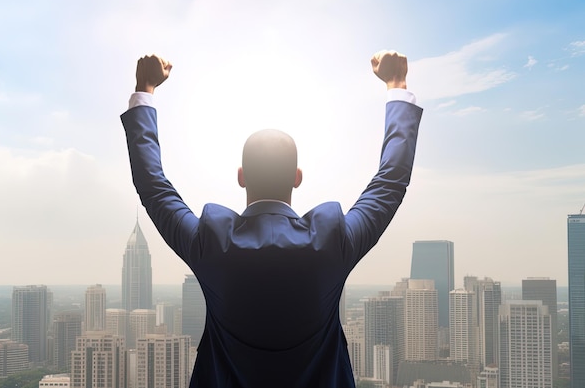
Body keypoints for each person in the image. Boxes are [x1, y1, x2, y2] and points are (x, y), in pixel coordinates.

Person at [121, 50, 423, 388]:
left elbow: (153, 186)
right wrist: (396, 85)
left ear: (241, 176)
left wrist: (145, 89)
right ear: (297, 176)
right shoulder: (331, 242)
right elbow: (390, 181)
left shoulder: (213, 244)